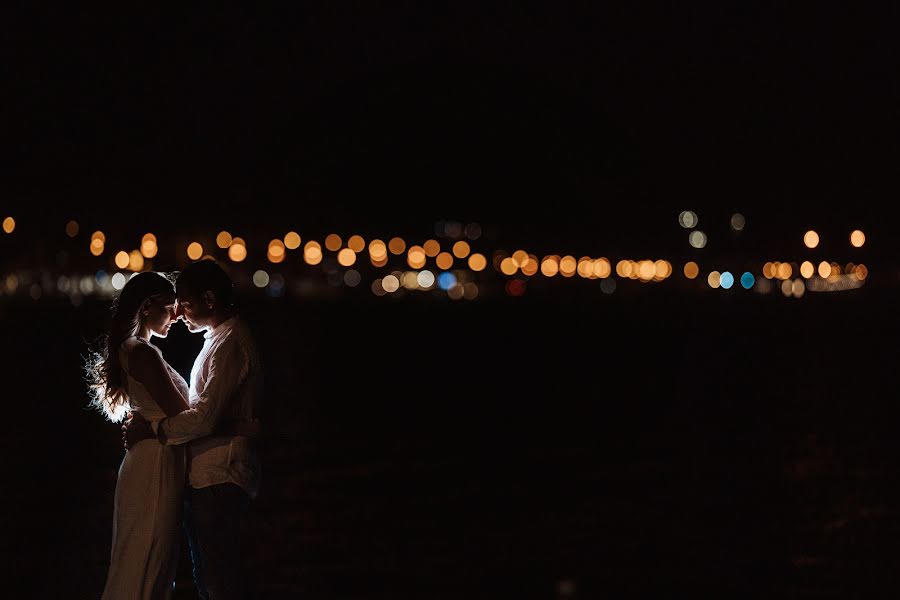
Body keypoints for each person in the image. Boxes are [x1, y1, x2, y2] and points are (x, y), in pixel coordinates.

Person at [124, 258, 264, 600]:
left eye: (186, 305)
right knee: (210, 578)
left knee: (219, 582)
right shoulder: (218, 340)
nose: (180, 314)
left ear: (209, 301)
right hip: (207, 475)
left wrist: (153, 430)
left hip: (220, 474)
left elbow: (203, 417)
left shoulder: (231, 344)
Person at [85, 271, 190, 599]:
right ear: (147, 307)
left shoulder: (135, 349)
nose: (175, 316)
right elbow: (184, 415)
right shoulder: (143, 353)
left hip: (151, 459)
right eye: (170, 307)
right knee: (147, 560)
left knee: (144, 561)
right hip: (154, 465)